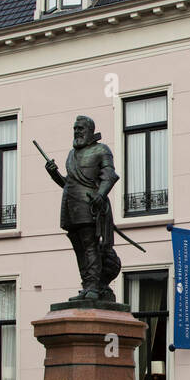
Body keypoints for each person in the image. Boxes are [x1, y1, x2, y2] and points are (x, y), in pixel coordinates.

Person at [43, 116, 122, 301]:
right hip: (70, 207)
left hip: (89, 206)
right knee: (79, 247)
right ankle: (86, 286)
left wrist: (100, 195)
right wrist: (54, 173)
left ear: (90, 131)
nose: (77, 131)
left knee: (90, 245)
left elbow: (109, 176)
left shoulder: (102, 150)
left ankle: (94, 287)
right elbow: (68, 184)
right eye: (75, 128)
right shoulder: (72, 154)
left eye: (80, 128)